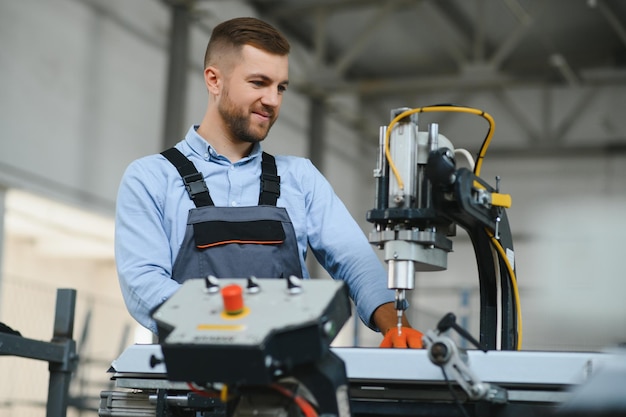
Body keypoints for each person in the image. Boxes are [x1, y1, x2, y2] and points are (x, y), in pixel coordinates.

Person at [115, 16, 422, 348]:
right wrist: (240, 326)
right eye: (259, 83)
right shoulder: (151, 178)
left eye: (281, 87)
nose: (274, 101)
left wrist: (395, 325)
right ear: (214, 80)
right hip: (189, 389)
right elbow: (145, 285)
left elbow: (354, 260)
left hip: (289, 386)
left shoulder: (300, 179)